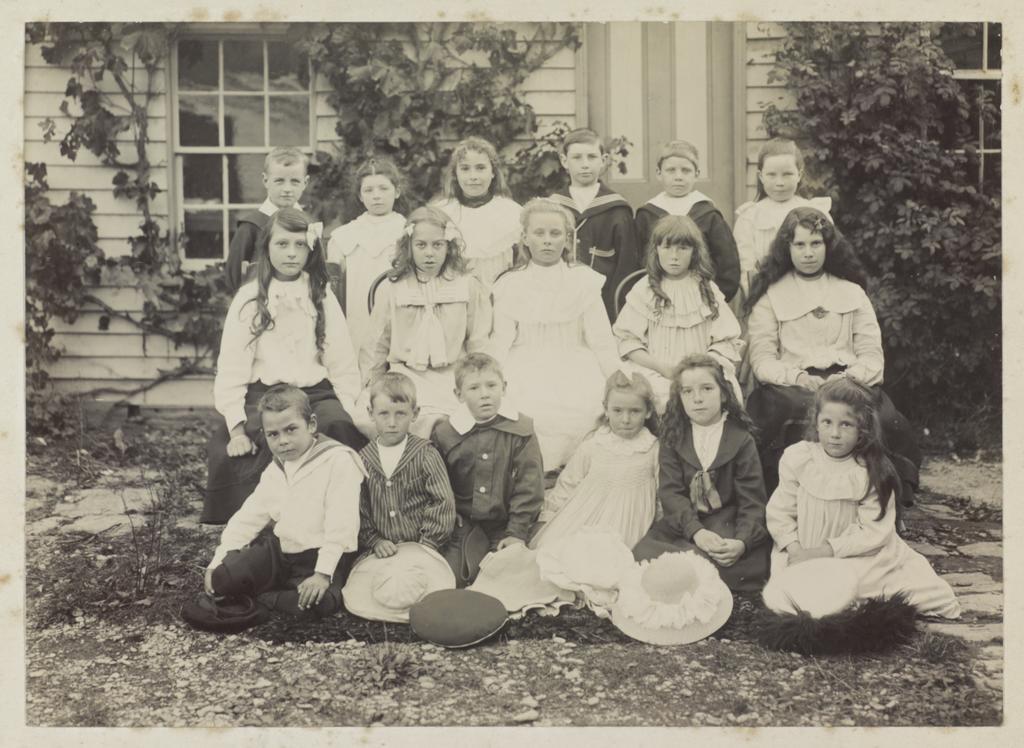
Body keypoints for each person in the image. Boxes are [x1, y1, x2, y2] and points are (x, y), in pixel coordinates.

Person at [744, 206, 920, 502]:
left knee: (885, 419)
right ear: (787, 248)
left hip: (849, 379)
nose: (808, 253)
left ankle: (878, 496)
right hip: (791, 385)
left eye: (816, 243)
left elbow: (871, 355)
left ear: (828, 245)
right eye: (799, 245)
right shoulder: (770, 296)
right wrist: (797, 376)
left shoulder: (851, 291)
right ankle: (793, 498)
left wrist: (848, 378)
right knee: (798, 414)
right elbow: (762, 359)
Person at [203, 207, 366, 525]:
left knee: (337, 429)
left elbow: (342, 363)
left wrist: (353, 412)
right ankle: (261, 528)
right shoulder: (251, 298)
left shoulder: (321, 295)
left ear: (310, 249)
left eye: (299, 245)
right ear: (266, 248)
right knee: (250, 444)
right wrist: (236, 428)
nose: (291, 254)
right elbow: (233, 368)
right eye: (282, 244)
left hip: (315, 395)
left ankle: (332, 523)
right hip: (264, 395)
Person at [763, 379, 960, 618]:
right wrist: (795, 549)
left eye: (846, 425)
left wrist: (824, 551)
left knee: (862, 589)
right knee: (793, 595)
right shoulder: (799, 458)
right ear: (816, 422)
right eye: (827, 422)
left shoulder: (870, 470)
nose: (834, 434)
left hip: (855, 554)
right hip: (802, 547)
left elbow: (873, 532)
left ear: (862, 429)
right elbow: (780, 511)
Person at [203, 385, 365, 621]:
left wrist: (322, 574)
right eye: (273, 434)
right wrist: (216, 562)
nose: (283, 441)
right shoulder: (278, 466)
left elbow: (342, 524)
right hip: (283, 552)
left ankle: (264, 598)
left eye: (291, 430)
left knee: (319, 603)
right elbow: (250, 516)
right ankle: (275, 593)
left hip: (319, 557)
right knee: (223, 578)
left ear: (311, 424)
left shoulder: (338, 460)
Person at [490, 198, 623, 469]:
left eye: (555, 233)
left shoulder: (583, 281)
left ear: (567, 238)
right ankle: (534, 477)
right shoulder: (511, 284)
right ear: (525, 238)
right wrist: (488, 374)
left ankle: (573, 477)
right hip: (524, 361)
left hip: (575, 360)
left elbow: (601, 340)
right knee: (525, 407)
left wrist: (615, 374)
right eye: (539, 234)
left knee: (584, 406)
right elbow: (500, 341)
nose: (547, 241)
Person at [632, 354, 771, 592]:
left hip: (727, 520)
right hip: (685, 522)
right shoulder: (674, 438)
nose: (697, 399)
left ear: (724, 393)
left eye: (706, 388)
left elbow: (752, 500)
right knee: (643, 555)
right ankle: (690, 568)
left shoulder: (741, 440)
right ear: (679, 398)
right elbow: (671, 493)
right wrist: (696, 532)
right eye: (687, 392)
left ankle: (692, 570)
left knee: (730, 557)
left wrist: (742, 542)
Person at [359, 206, 493, 439]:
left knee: (458, 421)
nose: (429, 253)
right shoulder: (393, 288)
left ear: (449, 247)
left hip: (453, 375)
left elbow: (478, 342)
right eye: (421, 245)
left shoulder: (467, 285)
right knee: (369, 416)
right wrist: (373, 384)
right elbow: (376, 344)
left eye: (438, 245)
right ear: (409, 247)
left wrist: (474, 380)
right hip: (405, 374)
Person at [431, 353, 545, 587]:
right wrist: (449, 517)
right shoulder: (445, 434)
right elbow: (437, 484)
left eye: (491, 385)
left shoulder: (521, 431)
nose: (484, 394)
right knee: (453, 576)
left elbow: (529, 486)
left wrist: (516, 532)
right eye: (473, 388)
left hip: (505, 523)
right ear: (458, 394)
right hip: (463, 522)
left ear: (503, 387)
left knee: (510, 577)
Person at [613, 214, 743, 413]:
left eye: (683, 248)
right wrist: (662, 367)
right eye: (667, 247)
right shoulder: (644, 289)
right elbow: (628, 342)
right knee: (653, 395)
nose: (674, 256)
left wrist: (702, 369)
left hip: (704, 371)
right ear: (656, 250)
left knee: (721, 392)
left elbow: (725, 341)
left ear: (694, 252)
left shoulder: (706, 289)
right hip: (657, 370)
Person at [529, 371, 659, 551]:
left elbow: (662, 493)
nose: (626, 419)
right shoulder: (594, 445)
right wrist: (547, 517)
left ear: (648, 412)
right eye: (617, 411)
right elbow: (568, 483)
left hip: (628, 525)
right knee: (560, 552)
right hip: (584, 518)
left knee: (613, 561)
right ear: (606, 409)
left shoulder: (653, 449)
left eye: (635, 411)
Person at [357, 372, 456, 557]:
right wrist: (374, 541)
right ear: (371, 413)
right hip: (381, 551)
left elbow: (443, 502)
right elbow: (360, 508)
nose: (392, 423)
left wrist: (428, 543)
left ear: (415, 413)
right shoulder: (363, 459)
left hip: (425, 547)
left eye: (400, 414)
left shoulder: (426, 454)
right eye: (384, 414)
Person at [548, 127, 640, 319]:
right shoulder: (552, 206)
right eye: (577, 158)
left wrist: (617, 308)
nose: (585, 164)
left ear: (604, 160)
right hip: (558, 298)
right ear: (564, 161)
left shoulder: (617, 209)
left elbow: (626, 264)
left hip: (604, 301)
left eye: (591, 157)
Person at [634, 140, 740, 302]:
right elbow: (637, 261)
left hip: (701, 299)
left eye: (686, 171)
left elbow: (727, 264)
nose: (678, 177)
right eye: (671, 170)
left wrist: (713, 300)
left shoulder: (708, 214)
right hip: (656, 297)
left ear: (696, 174)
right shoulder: (647, 214)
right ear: (658, 173)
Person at [733, 138, 833, 301]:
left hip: (812, 295)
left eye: (787, 174)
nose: (779, 182)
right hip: (767, 297)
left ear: (799, 174)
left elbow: (831, 257)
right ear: (761, 176)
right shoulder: (749, 217)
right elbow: (746, 270)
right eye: (771, 175)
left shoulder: (816, 211)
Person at [326, 156, 406, 349]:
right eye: (368, 190)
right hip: (356, 318)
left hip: (398, 317)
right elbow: (334, 286)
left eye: (383, 188)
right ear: (360, 196)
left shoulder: (408, 232)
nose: (376, 196)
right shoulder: (343, 237)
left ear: (397, 191)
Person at [432, 137, 522, 286]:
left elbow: (522, 263)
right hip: (454, 294)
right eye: (465, 169)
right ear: (455, 174)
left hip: (501, 293)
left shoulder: (512, 212)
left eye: (480, 168)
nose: (473, 176)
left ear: (493, 172)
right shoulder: (441, 213)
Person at [224, 147, 310, 293]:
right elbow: (234, 276)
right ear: (265, 180)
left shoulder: (310, 225)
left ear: (305, 183)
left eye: (295, 181)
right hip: (260, 304)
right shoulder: (251, 226)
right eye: (279, 181)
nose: (287, 189)